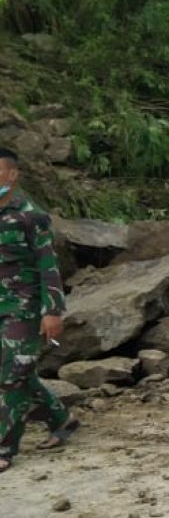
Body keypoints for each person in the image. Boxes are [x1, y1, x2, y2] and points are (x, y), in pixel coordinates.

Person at [0, 147, 76, 473]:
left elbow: (48, 266)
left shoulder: (32, 216)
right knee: (19, 370)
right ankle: (61, 418)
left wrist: (52, 311)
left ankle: (5, 448)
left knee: (11, 377)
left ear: (12, 175)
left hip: (24, 308)